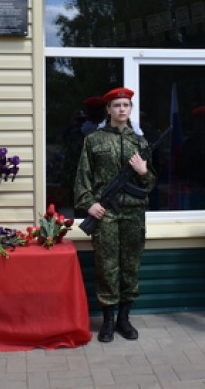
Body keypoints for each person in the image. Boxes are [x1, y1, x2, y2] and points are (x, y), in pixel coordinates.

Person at [73, 87, 157, 343]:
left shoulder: (140, 142)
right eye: (117, 105)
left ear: (131, 109)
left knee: (130, 266)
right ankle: (108, 320)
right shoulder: (94, 139)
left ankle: (124, 318)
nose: (122, 109)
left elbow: (151, 183)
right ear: (108, 109)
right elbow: (82, 177)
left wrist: (144, 172)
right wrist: (89, 204)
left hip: (133, 213)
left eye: (126, 105)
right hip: (106, 214)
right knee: (106, 267)